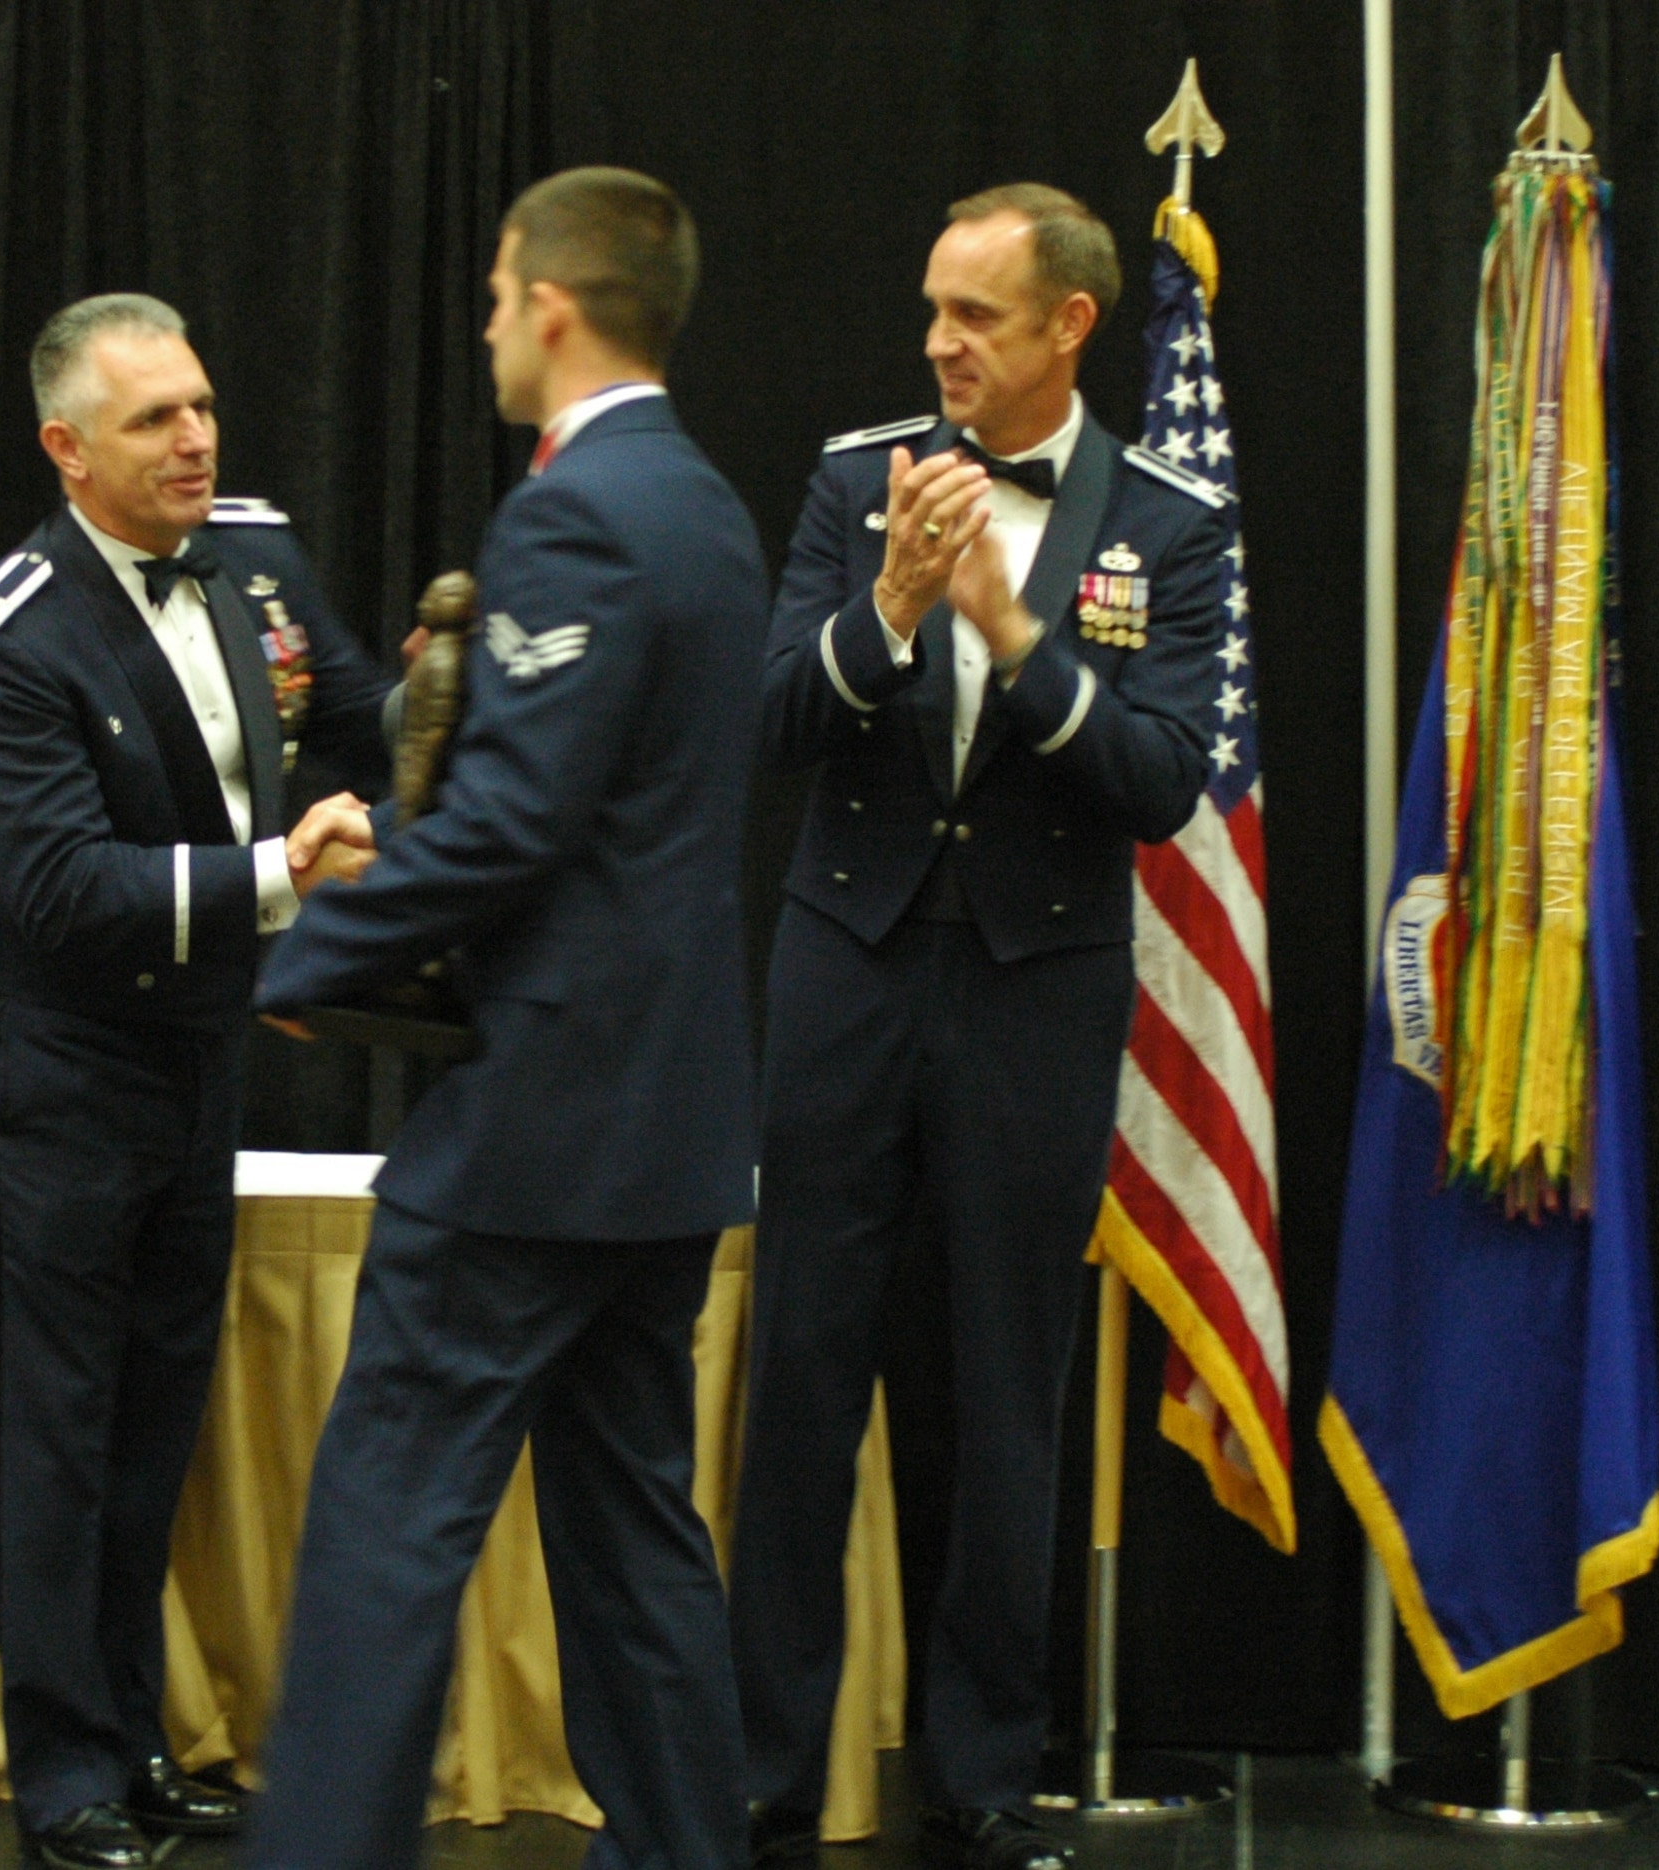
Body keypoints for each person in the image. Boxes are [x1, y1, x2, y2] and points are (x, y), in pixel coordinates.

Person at [246, 167, 769, 1870]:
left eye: (492, 295)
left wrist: (316, 958)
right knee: (632, 1543)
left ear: (552, 304)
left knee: (388, 1527)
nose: (483, 325)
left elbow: (516, 826)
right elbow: (606, 820)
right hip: (669, 1128)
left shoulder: (579, 513)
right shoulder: (705, 504)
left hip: (538, 1132)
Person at [730, 185, 1235, 1870]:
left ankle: (983, 1769)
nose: (941, 344)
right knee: (803, 1366)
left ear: (1071, 326)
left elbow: (1164, 782)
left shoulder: (1165, 519)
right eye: (934, 310)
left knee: (1005, 1384)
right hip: (848, 967)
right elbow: (770, 718)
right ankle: (765, 1763)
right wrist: (885, 607)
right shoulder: (853, 472)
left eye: (978, 316)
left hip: (1037, 981)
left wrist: (1015, 634)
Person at [0, 293, 392, 1870]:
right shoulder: (3, 634)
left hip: (203, 1044)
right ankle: (63, 1769)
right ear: (67, 448)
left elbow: (358, 713)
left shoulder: (253, 555)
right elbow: (62, 886)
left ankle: (133, 1730)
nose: (196, 438)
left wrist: (480, 715)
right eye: (153, 420)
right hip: (62, 1057)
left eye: (200, 405)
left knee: (154, 1410)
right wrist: (285, 871)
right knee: (59, 1418)